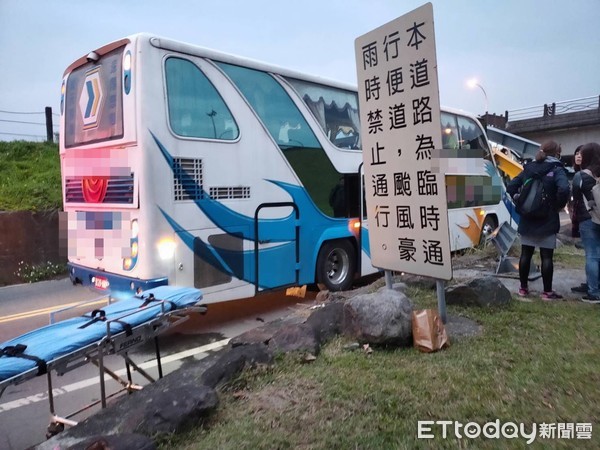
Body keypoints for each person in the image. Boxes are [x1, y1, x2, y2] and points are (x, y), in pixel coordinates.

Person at [506, 140, 570, 300]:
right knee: (546, 256)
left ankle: (523, 289)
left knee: (525, 253)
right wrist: (556, 206)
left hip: (528, 217)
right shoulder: (557, 168)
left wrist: (519, 201)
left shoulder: (529, 167)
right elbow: (564, 189)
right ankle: (547, 292)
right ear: (557, 153)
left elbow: (511, 186)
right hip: (547, 218)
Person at [571, 142, 600, 302]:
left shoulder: (581, 176)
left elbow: (574, 196)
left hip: (588, 218)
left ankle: (593, 292)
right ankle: (595, 285)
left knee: (592, 255)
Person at [567, 145, 583, 238]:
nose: (578, 156)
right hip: (578, 214)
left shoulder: (594, 173)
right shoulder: (576, 174)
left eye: (581, 154)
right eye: (576, 154)